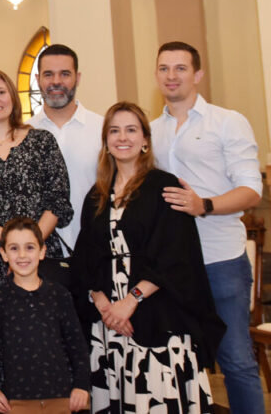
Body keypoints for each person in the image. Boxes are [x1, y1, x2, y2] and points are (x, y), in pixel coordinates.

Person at [73, 101, 224, 412]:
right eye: (114, 131)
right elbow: (85, 259)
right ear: (106, 141)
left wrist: (131, 302)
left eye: (131, 130)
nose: (122, 137)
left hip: (156, 314)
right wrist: (105, 306)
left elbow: (176, 256)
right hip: (110, 325)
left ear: (145, 140)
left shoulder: (164, 187)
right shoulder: (97, 195)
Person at [149, 41, 264, 413]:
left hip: (221, 259)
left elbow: (252, 191)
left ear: (197, 74)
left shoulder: (228, 122)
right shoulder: (150, 132)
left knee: (236, 362)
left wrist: (205, 206)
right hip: (171, 267)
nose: (171, 76)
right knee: (182, 363)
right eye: (164, 68)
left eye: (180, 68)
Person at [0, 68, 73, 295]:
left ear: (12, 97)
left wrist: (29, 246)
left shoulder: (42, 141)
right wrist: (11, 243)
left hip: (40, 256)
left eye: (1, 92)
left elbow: (57, 198)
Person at [0, 217, 89, 414]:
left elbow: (77, 345)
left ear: (42, 251)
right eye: (14, 248)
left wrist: (82, 385)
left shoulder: (59, 294)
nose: (22, 255)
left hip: (62, 398)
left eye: (29, 247)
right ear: (3, 254)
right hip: (16, 402)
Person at [26, 44, 103, 256]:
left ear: (77, 78)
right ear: (38, 78)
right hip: (43, 254)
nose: (56, 81)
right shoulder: (23, 134)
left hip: (96, 248)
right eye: (48, 74)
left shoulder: (102, 130)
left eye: (65, 74)